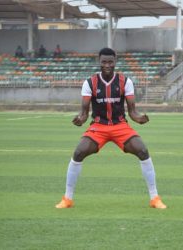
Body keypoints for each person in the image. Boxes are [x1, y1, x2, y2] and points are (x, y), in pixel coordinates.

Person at [55, 47, 166, 209]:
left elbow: (133, 111)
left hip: (120, 125)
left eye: (110, 62)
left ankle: (154, 198)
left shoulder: (125, 81)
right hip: (98, 126)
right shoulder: (90, 83)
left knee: (142, 151)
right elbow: (84, 113)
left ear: (115, 62)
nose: (107, 65)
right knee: (78, 153)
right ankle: (67, 199)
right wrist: (80, 119)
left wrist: (139, 119)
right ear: (99, 62)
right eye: (104, 62)